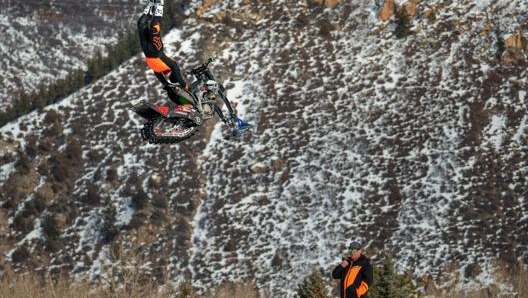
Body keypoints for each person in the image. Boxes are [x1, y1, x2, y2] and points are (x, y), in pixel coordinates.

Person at [137, 0, 189, 92]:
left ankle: (158, 4)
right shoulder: (158, 70)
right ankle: (153, 4)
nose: (172, 58)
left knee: (153, 27)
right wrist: (168, 84)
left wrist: (184, 86)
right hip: (147, 51)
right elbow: (164, 82)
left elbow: (178, 76)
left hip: (156, 52)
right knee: (142, 25)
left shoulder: (172, 66)